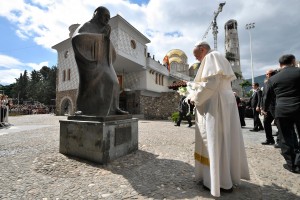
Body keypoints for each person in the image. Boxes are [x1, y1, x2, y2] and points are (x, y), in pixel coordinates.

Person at [186, 41, 250, 197]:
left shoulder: (211, 56)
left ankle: (218, 182)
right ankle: (226, 178)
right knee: (225, 140)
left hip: (216, 104)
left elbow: (210, 84)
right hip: (224, 103)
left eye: (197, 55)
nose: (197, 59)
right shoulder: (220, 57)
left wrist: (194, 97)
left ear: (203, 49)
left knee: (215, 141)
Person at [72, 6, 128, 116]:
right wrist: (101, 37)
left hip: (104, 63)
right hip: (90, 64)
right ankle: (82, 109)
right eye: (105, 16)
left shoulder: (104, 28)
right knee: (87, 86)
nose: (107, 19)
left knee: (115, 82)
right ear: (96, 14)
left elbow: (110, 49)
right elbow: (76, 38)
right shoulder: (87, 25)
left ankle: (114, 108)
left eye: (109, 17)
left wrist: (106, 38)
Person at [263, 54, 300, 174]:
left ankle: (292, 164)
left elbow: (267, 96)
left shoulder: (273, 79)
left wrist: (264, 108)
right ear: (293, 61)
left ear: (280, 65)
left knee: (285, 137)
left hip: (282, 110)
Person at [260, 69, 278, 145]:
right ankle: (270, 139)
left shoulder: (271, 82)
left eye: (267, 74)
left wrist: (264, 108)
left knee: (278, 124)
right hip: (270, 106)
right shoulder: (268, 82)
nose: (266, 75)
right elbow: (263, 96)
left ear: (271, 74)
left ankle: (279, 141)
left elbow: (266, 96)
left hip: (274, 106)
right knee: (266, 122)